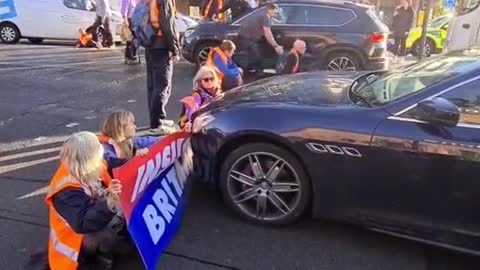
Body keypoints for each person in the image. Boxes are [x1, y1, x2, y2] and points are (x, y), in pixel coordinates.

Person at [45, 131, 131, 270]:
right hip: (74, 241)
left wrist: (135, 159)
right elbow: (83, 223)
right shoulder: (66, 191)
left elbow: (112, 164)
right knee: (107, 237)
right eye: (98, 148)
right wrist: (109, 203)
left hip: (88, 215)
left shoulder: (90, 164)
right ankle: (100, 256)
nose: (101, 150)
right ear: (89, 158)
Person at [145, 0, 181, 134]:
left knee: (153, 86)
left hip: (151, 44)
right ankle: (157, 123)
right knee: (162, 86)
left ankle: (155, 120)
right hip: (162, 46)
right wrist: (175, 49)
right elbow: (167, 24)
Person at [236, 3, 283, 74]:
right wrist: (275, 46)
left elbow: (271, 21)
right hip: (247, 37)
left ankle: (250, 70)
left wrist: (281, 22)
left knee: (252, 55)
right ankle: (248, 74)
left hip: (246, 35)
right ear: (269, 10)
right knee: (254, 56)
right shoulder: (265, 16)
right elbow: (268, 34)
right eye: (274, 12)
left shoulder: (263, 13)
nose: (275, 14)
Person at [178, 66, 222, 131]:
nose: (209, 81)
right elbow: (192, 112)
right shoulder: (196, 96)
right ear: (200, 81)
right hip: (195, 126)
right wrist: (190, 122)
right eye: (206, 79)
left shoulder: (218, 92)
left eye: (212, 78)